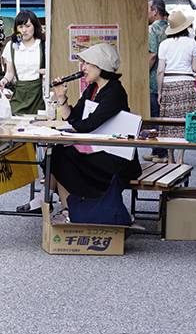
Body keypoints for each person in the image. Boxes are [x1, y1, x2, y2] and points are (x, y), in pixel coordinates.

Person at [47, 43, 141, 222]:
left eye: (87, 63)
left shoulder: (114, 91)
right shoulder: (92, 89)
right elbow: (73, 117)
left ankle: (71, 207)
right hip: (100, 149)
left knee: (61, 154)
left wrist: (65, 130)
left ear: (100, 66)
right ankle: (70, 207)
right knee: (57, 152)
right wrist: (61, 97)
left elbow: (89, 124)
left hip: (117, 156)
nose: (83, 68)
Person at [155, 10, 196, 158]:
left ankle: (170, 157)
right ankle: (181, 158)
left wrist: (160, 91)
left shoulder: (164, 44)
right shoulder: (192, 42)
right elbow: (195, 68)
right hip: (187, 84)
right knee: (184, 122)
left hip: (169, 84)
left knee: (169, 122)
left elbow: (160, 70)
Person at [0, 10, 46, 116]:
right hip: (19, 95)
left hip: (39, 95)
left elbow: (52, 69)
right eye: (20, 27)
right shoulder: (11, 46)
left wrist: (46, 72)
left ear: (35, 26)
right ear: (16, 29)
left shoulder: (43, 46)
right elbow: (10, 73)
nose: (24, 30)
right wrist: (3, 81)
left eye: (28, 26)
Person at [147, 0, 170, 160]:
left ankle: (159, 152)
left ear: (155, 11)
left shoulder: (152, 29)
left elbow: (152, 55)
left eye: (148, 9)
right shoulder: (171, 29)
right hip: (169, 79)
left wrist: (143, 73)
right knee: (164, 117)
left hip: (155, 80)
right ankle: (158, 151)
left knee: (155, 116)